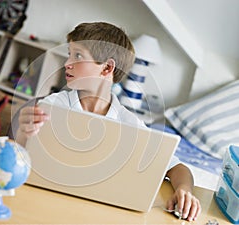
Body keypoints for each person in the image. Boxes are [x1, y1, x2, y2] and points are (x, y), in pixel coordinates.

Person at [14, 22, 201, 221]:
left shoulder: (129, 123)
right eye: (69, 54)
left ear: (107, 68)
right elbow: (20, 152)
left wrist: (184, 190)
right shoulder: (53, 105)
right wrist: (23, 133)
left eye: (77, 56)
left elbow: (178, 168)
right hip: (44, 203)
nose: (67, 63)